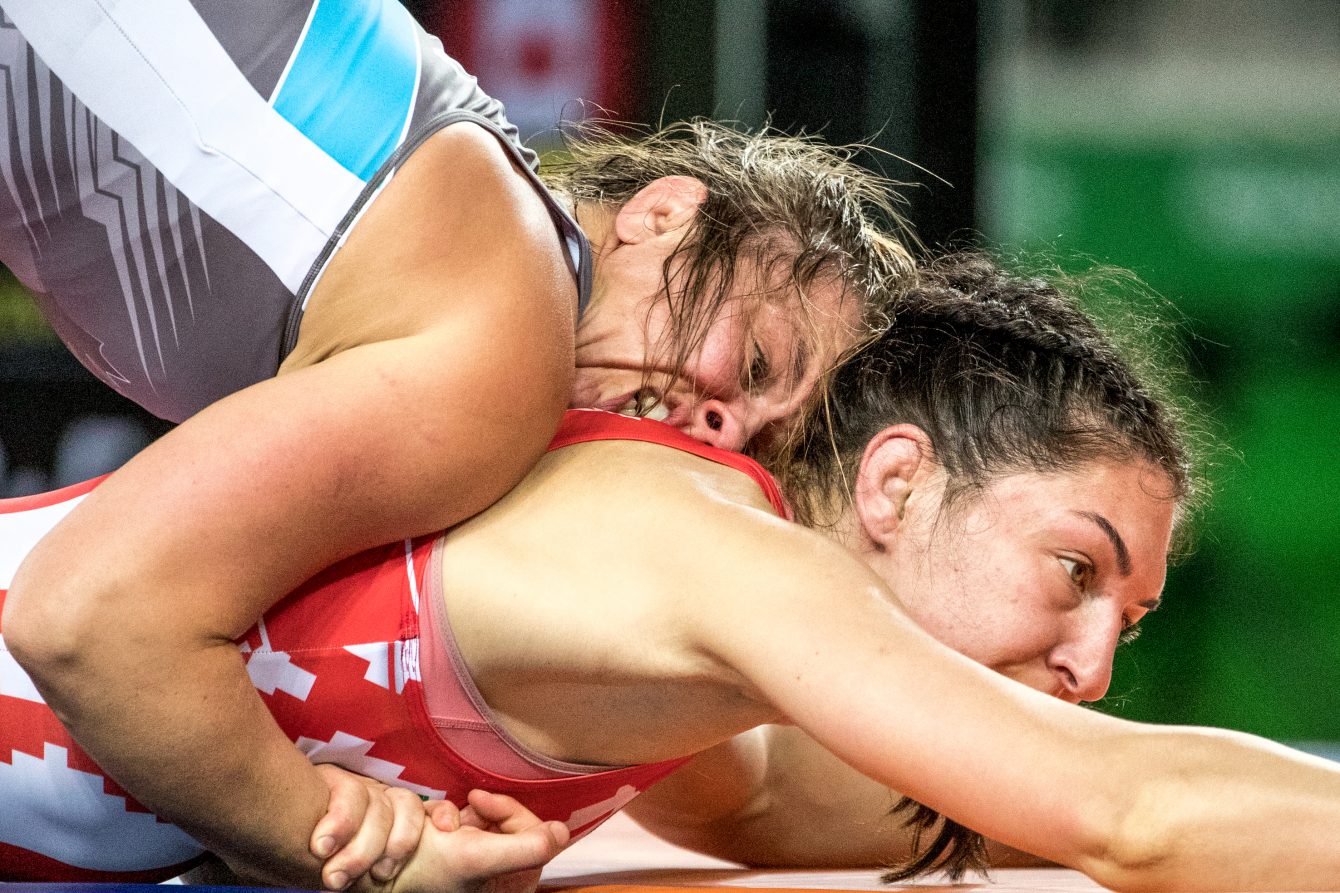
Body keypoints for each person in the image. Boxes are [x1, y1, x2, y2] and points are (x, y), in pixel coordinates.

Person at [6, 253, 1340, 892]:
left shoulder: (699, 676)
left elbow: (767, 814)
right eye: (1073, 569)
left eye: (1131, 620)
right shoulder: (702, 545)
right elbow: (1120, 810)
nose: (1092, 668)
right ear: (891, 482)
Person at [0, 0, 910, 883]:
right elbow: (81, 618)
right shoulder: (504, 336)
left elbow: (749, 787)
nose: (727, 423)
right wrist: (337, 847)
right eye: (755, 362)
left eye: (767, 436)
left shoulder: (435, 345)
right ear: (663, 214)